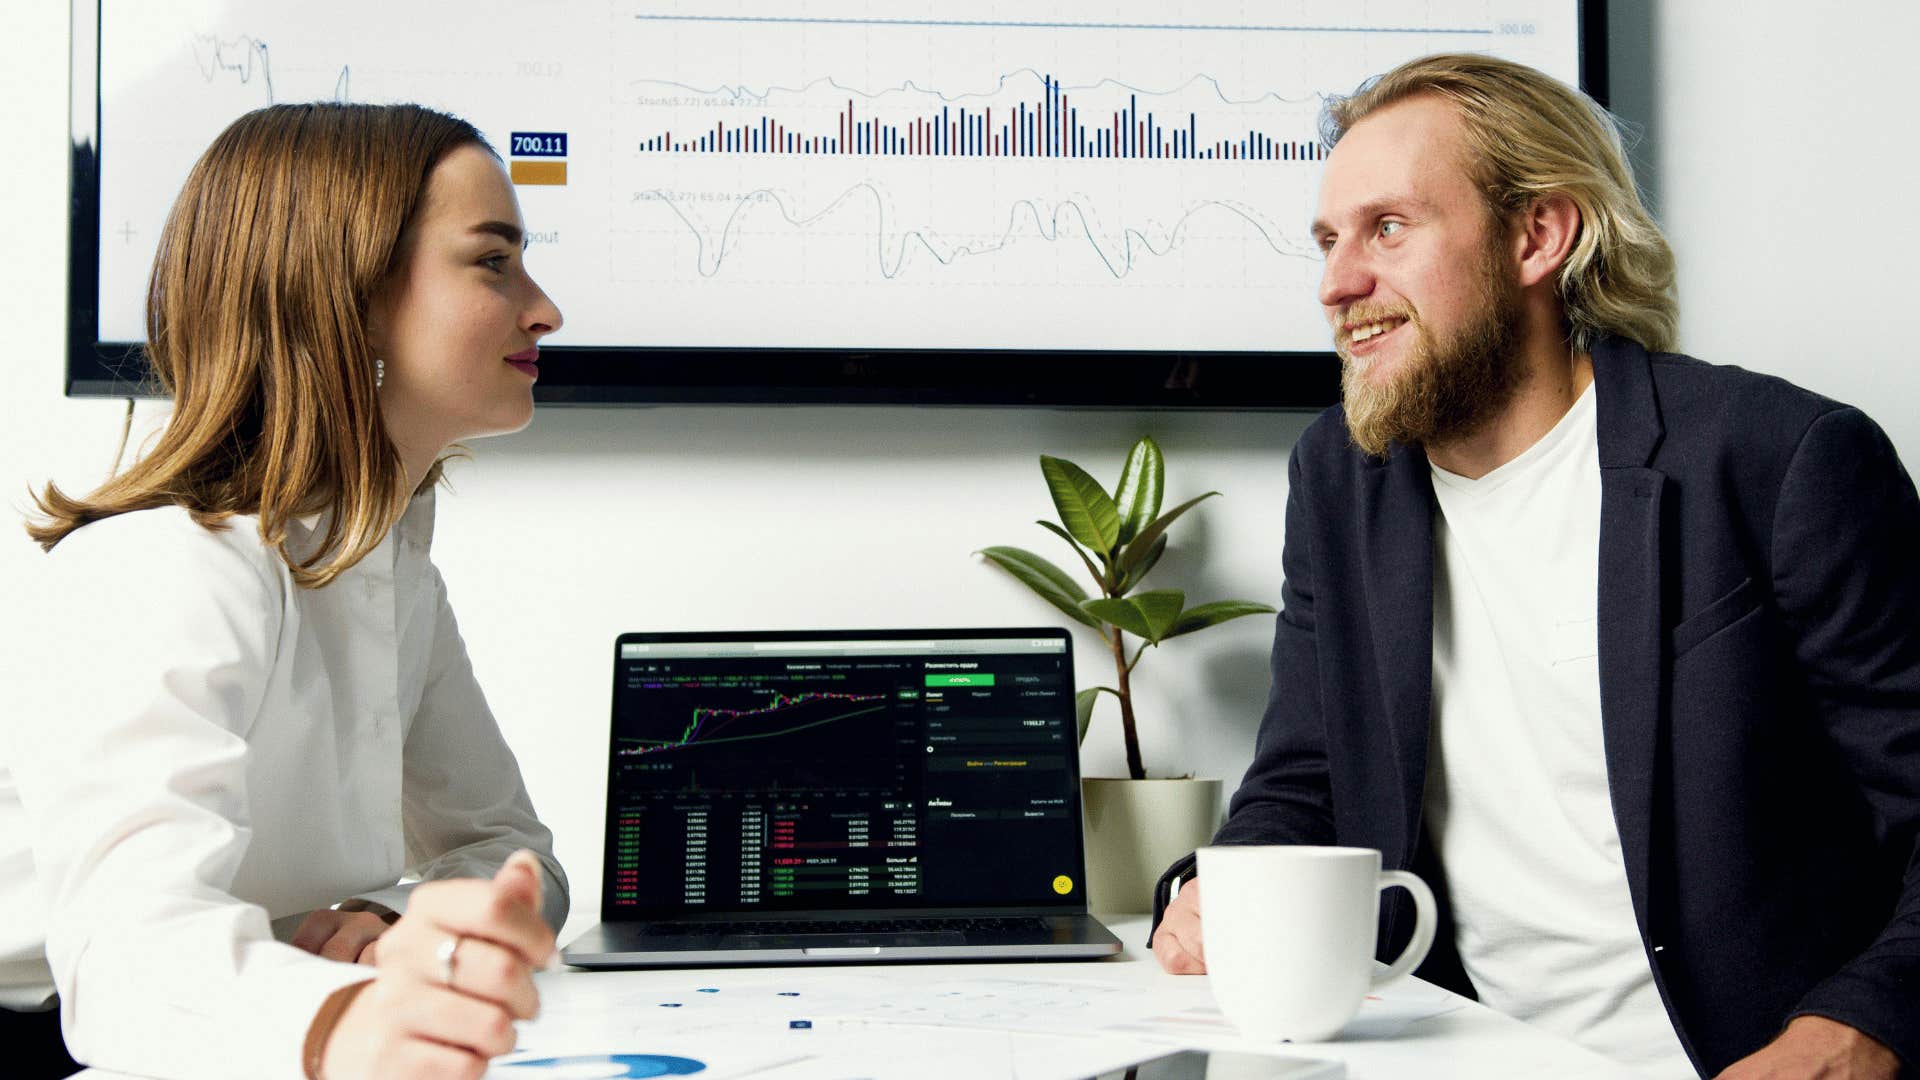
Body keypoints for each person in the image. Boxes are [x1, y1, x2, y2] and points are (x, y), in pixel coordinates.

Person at [1148, 53, 1918, 1079]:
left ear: (1536, 237)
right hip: (1459, 1052)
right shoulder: (1342, 476)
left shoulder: (1780, 458)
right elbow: (1307, 780)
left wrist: (1855, 1035)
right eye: (1329, 241)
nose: (1338, 283)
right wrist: (1215, 888)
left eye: (1388, 228)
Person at [0, 103, 570, 1079]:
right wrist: (346, 1020)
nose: (543, 308)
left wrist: (384, 925)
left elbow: (515, 855)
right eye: (492, 260)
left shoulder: (391, 574)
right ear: (344, 296)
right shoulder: (165, 567)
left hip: (229, 1018)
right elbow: (124, 960)